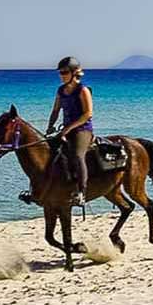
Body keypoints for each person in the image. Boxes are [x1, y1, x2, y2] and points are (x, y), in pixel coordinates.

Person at [46, 57, 95, 201]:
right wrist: (49, 127)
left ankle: (81, 192)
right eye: (60, 73)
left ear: (74, 73)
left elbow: (88, 114)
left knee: (78, 155)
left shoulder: (82, 90)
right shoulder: (61, 90)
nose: (61, 75)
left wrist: (67, 129)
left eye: (65, 72)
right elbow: (55, 110)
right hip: (66, 129)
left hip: (83, 129)